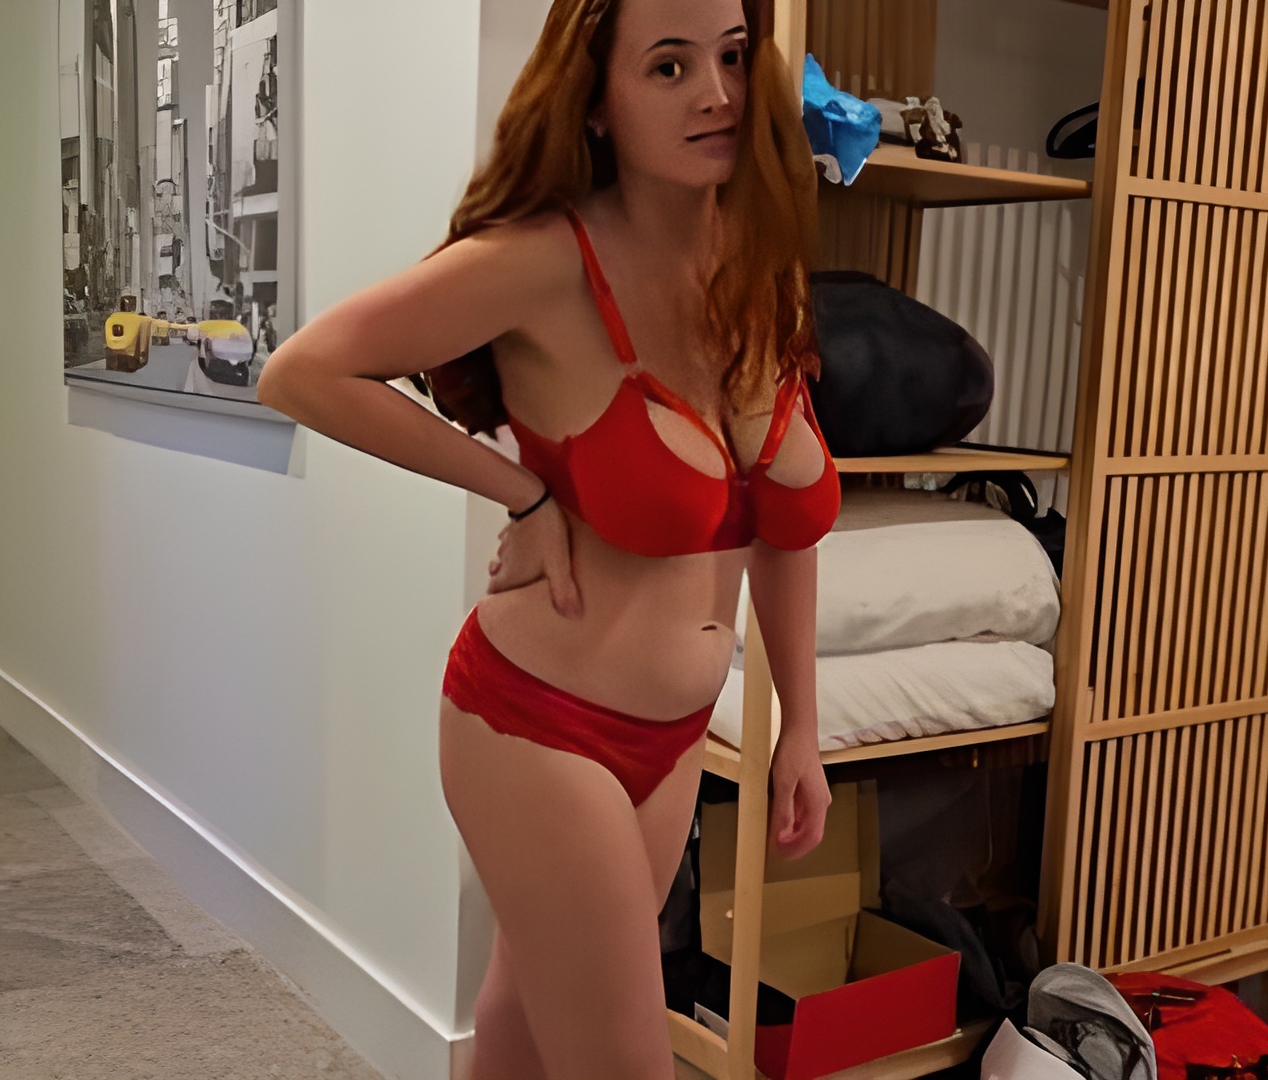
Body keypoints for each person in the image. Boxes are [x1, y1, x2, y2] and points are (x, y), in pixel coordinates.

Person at [256, 1, 835, 1075]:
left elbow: (783, 529)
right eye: (669, 67)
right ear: (598, 100)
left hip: (673, 740)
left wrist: (797, 724)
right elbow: (303, 372)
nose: (716, 93)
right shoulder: (546, 261)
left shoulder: (761, 262)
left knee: (523, 1032)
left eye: (731, 55)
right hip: (536, 728)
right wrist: (521, 495)